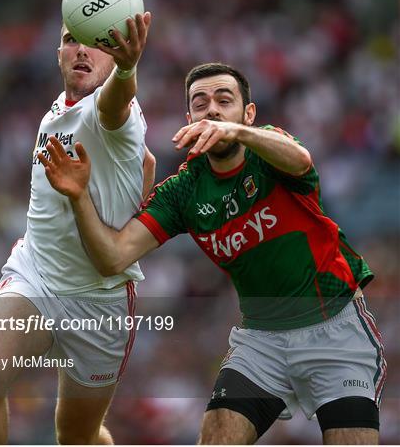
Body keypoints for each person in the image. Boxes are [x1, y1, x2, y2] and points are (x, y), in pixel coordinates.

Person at [38, 62, 387, 445]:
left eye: (225, 100)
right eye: (200, 103)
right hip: (262, 340)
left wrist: (238, 133)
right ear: (189, 118)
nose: (213, 110)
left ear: (248, 113)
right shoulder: (184, 191)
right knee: (217, 433)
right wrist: (79, 196)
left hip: (334, 328)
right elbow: (113, 257)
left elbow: (301, 160)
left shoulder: (269, 149)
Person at [0, 11, 154, 445]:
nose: (82, 49)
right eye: (71, 40)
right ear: (59, 53)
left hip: (100, 302)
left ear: (114, 58)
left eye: (99, 43)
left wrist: (127, 69)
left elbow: (117, 100)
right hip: (37, 277)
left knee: (76, 436)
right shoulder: (54, 113)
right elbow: (148, 164)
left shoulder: (113, 109)